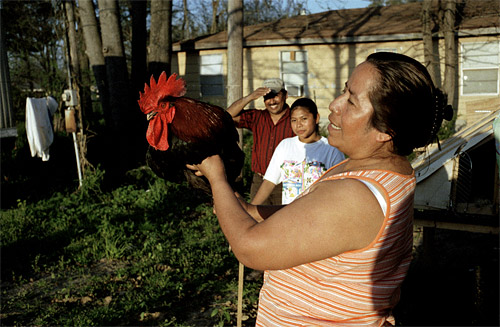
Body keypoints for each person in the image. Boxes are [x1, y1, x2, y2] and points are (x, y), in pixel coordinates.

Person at [187, 52, 453, 326]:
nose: (334, 104)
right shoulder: (380, 168)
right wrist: (250, 210)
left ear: (385, 131)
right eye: (343, 91)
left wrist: (217, 176)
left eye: (351, 100)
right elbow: (312, 218)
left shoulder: (357, 193)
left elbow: (248, 249)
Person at [252, 97, 344, 205]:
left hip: (319, 215)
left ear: (316, 118)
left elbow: (339, 188)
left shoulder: (331, 149)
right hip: (289, 215)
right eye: (294, 120)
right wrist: (251, 209)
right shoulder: (285, 146)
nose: (298, 124)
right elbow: (269, 182)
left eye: (304, 119)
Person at [227, 78, 294, 205]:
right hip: (260, 181)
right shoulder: (258, 117)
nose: (272, 101)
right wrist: (249, 97)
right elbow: (228, 115)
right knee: (258, 220)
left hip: (286, 182)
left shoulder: (295, 118)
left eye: (275, 96)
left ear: (285, 95)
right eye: (267, 97)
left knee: (284, 221)